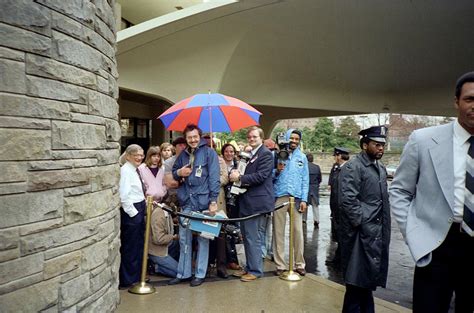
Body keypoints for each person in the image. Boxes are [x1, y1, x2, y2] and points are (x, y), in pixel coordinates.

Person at [389, 72, 474, 313]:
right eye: (470, 99)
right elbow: (399, 191)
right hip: (437, 245)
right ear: (456, 101)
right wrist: (414, 234)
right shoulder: (423, 140)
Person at [338, 125, 391, 313]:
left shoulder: (380, 167)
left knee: (365, 284)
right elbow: (347, 201)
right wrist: (363, 222)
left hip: (374, 235)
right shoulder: (354, 167)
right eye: (376, 145)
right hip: (360, 236)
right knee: (356, 285)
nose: (381, 149)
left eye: (383, 145)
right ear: (364, 145)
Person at [168, 124, 220, 287]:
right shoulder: (183, 155)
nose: (192, 140)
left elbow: (214, 178)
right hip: (187, 202)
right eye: (189, 137)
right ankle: (183, 273)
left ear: (200, 136)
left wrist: (213, 201)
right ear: (186, 138)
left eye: (195, 136)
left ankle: (200, 274)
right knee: (184, 239)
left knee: (204, 239)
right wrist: (179, 173)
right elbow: (175, 172)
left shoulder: (209, 153)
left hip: (204, 202)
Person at [229, 126, 275, 282]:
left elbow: (261, 176)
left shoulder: (266, 154)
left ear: (261, 138)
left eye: (254, 136)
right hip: (247, 202)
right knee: (247, 236)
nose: (251, 139)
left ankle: (255, 271)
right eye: (249, 137)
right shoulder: (250, 154)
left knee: (253, 238)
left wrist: (240, 178)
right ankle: (249, 267)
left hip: (257, 203)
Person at [272, 129, 309, 276]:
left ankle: (299, 264)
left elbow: (305, 180)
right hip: (280, 196)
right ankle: (280, 264)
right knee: (278, 232)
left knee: (298, 232)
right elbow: (270, 176)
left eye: (296, 139)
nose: (294, 141)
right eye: (291, 138)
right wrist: (277, 171)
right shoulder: (278, 155)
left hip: (297, 198)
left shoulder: (302, 157)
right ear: (287, 139)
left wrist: (304, 199)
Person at [118, 144, 146, 288]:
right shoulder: (125, 171)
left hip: (139, 208)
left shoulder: (134, 170)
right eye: (136, 155)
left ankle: (136, 276)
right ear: (128, 156)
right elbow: (124, 197)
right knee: (130, 247)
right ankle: (128, 279)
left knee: (138, 245)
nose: (140, 157)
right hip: (132, 212)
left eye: (141, 155)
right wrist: (134, 214)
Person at [326, 147, 350, 266]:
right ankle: (339, 259)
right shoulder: (337, 168)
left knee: (342, 234)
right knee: (338, 233)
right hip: (336, 207)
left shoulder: (348, 169)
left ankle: (340, 260)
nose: (335, 158)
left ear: (339, 156)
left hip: (342, 208)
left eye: (336, 155)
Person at [220, 143, 241, 270]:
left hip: (235, 201)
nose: (229, 154)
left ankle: (234, 258)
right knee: (224, 231)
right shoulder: (219, 165)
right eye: (227, 151)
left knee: (234, 230)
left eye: (232, 151)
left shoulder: (238, 166)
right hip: (222, 200)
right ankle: (224, 258)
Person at [304, 153, 322, 228]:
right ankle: (316, 220)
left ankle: (304, 219)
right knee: (315, 206)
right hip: (314, 188)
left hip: (306, 187)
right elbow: (320, 179)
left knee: (305, 204)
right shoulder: (317, 167)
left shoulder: (304, 167)